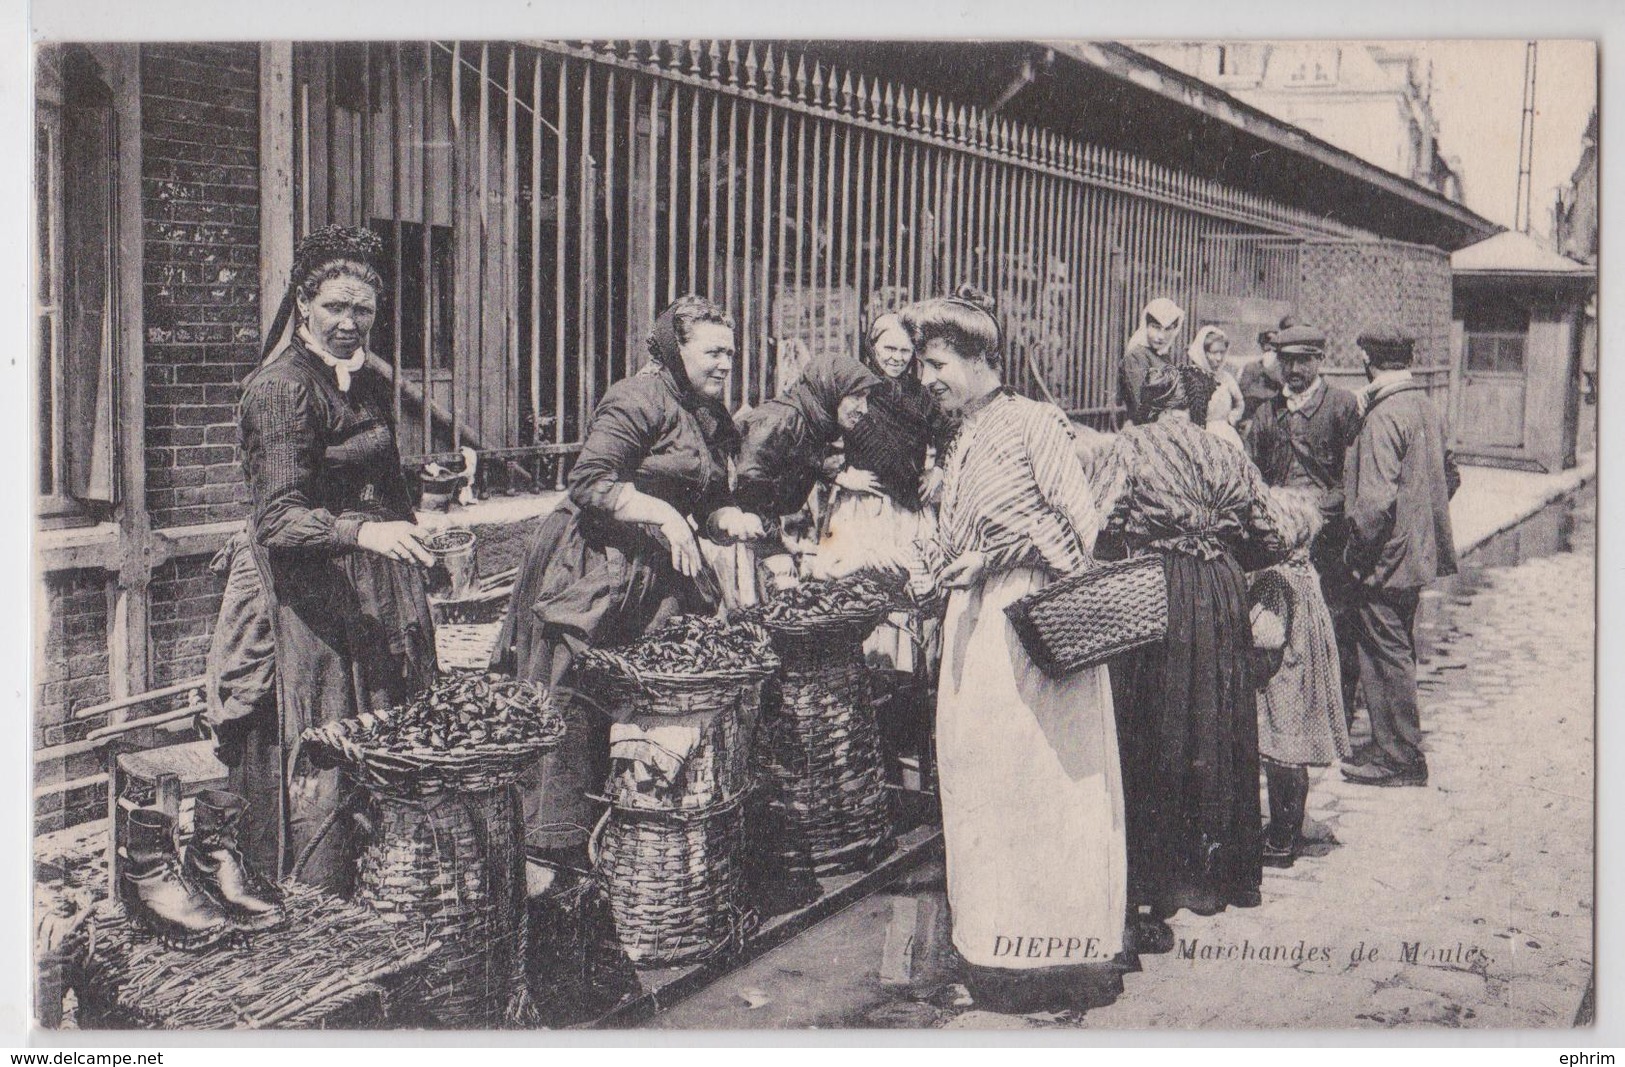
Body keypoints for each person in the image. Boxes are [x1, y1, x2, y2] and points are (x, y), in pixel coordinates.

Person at [902, 287, 1130, 1015]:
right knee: (980, 784)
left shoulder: (1033, 422)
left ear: (976, 357)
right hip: (975, 624)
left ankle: (1056, 968)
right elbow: (954, 529)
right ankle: (993, 950)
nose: (926, 378)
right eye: (919, 366)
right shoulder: (959, 435)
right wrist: (927, 565)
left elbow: (1080, 526)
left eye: (936, 362)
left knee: (1041, 789)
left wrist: (994, 557)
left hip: (1032, 629)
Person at [205, 225, 438, 895]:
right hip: (306, 596)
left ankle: (383, 888)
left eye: (361, 309)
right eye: (334, 306)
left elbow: (384, 480)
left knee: (383, 732)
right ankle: (314, 899)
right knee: (324, 743)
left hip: (370, 588)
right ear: (303, 304)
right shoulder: (281, 389)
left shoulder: (366, 381)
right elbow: (278, 517)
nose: (348, 322)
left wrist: (417, 539)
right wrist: (364, 533)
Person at [497, 294, 748, 862]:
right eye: (713, 352)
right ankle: (552, 855)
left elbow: (707, 497)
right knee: (573, 697)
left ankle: (636, 845)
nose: (725, 363)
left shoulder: (706, 410)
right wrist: (663, 514)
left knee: (650, 698)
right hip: (594, 564)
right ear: (674, 349)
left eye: (731, 352)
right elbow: (588, 481)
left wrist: (728, 519)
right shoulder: (636, 398)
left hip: (656, 572)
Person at [1101, 364, 1285, 945]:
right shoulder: (1225, 451)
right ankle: (1209, 877)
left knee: (1154, 728)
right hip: (1220, 592)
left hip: (1155, 589)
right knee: (1213, 726)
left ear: (1146, 403)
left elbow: (1096, 521)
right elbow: (1273, 532)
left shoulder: (1129, 446)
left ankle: (1148, 888)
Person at [1340, 325, 1460, 788]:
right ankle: (1393, 743)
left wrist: (1355, 555)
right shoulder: (1425, 406)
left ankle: (1400, 757)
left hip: (1384, 562)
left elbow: (1373, 506)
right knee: (1397, 650)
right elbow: (1451, 476)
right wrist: (1420, 524)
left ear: (1368, 361)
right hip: (1414, 557)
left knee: (1384, 654)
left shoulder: (1383, 414)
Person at [1244, 324, 1364, 727]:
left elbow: (1355, 479)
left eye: (1302, 360)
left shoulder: (1343, 407)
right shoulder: (1266, 411)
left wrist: (1317, 509)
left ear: (1319, 361)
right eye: (1286, 360)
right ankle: (1284, 714)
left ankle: (1339, 712)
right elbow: (1250, 472)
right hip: (1278, 539)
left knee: (1336, 619)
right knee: (1276, 625)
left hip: (1327, 538)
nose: (1293, 369)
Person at [1248, 487, 1353, 868]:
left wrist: (1247, 618)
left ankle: (1279, 840)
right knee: (1296, 766)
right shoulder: (1307, 572)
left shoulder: (1275, 580)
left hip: (1285, 680)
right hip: (1307, 673)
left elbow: (1270, 634)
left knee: (1281, 762)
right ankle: (1291, 828)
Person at [732, 350, 882, 569]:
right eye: (857, 397)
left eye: (866, 398)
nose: (864, 409)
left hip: (755, 529)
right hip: (740, 531)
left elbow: (800, 456)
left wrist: (836, 475)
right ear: (832, 391)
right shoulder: (779, 420)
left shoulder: (813, 422)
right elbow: (749, 488)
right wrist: (777, 543)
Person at [1118, 297, 1185, 426]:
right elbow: (1141, 404)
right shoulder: (1136, 356)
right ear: (1145, 325)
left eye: (1168, 329)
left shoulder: (1163, 356)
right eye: (1155, 327)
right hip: (1144, 427)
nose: (1161, 336)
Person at [1187, 326, 1245, 449]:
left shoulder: (1226, 378)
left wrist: (1232, 418)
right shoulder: (1191, 376)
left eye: (1222, 352)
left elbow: (1239, 402)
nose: (1219, 358)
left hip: (1225, 433)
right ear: (1204, 352)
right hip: (1199, 435)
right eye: (1214, 353)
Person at [1237, 314, 1293, 426]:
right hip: (1253, 412)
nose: (1269, 348)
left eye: (1273, 344)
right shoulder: (1251, 367)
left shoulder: (1284, 364)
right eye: (1265, 343)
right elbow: (1242, 391)